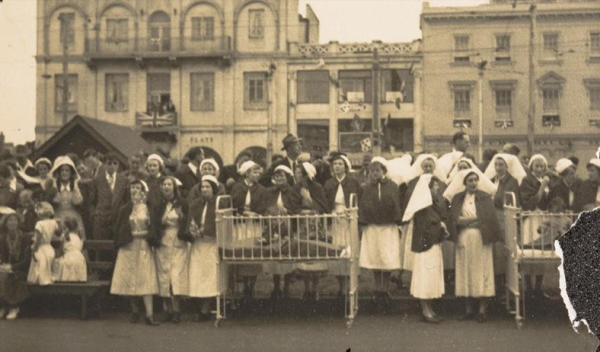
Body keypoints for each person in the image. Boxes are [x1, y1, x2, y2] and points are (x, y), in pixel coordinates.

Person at [446, 169, 502, 323]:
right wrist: (474, 219)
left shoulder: (485, 198)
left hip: (480, 238)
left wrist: (467, 220)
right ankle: (468, 309)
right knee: (465, 271)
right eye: (470, 180)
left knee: (481, 270)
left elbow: (487, 219)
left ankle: (482, 309)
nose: (473, 183)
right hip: (464, 238)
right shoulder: (458, 198)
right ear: (464, 183)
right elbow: (455, 220)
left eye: (475, 180)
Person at [400, 154, 448, 323]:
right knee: (425, 276)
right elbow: (429, 224)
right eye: (434, 186)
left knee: (432, 275)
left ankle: (430, 307)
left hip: (433, 243)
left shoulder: (434, 202)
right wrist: (440, 228)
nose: (437, 188)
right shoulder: (423, 206)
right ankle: (425, 310)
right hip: (425, 244)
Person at [111, 179, 160, 326]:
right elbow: (119, 228)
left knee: (146, 277)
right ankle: (135, 311)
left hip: (143, 245)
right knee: (130, 277)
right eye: (132, 188)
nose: (134, 191)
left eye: (137, 188)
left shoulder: (148, 209)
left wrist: (150, 239)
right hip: (128, 246)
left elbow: (153, 228)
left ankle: (149, 315)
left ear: (143, 192)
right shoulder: (125, 209)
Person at [358, 157, 402, 306]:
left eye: (377, 170)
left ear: (383, 171)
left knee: (387, 259)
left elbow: (396, 204)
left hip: (388, 228)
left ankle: (386, 289)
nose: (375, 173)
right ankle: (378, 289)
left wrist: (397, 220)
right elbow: (363, 205)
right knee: (376, 258)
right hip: (373, 228)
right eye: (372, 171)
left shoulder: (392, 186)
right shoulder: (366, 188)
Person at [484, 153, 526, 296]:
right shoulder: (492, 180)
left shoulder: (512, 181)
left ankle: (504, 284)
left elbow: (510, 201)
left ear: (507, 167)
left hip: (503, 217)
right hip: (492, 217)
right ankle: (496, 283)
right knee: (494, 250)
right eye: (496, 165)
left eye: (501, 165)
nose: (498, 167)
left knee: (504, 250)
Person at [151, 176, 189, 324]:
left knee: (175, 274)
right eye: (164, 184)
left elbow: (189, 221)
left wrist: (182, 218)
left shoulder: (182, 203)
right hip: (163, 241)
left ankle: (177, 310)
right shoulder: (159, 204)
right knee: (164, 273)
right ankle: (167, 309)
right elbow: (155, 223)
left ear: (174, 187)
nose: (166, 187)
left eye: (169, 184)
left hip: (178, 240)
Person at [324, 152, 361, 298]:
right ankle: (341, 286)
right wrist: (331, 213)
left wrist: (350, 212)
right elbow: (326, 202)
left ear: (346, 167)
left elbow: (358, 201)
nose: (337, 167)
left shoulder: (353, 183)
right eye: (335, 164)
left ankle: (349, 286)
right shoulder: (329, 183)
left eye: (340, 164)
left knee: (350, 252)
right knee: (337, 252)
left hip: (349, 220)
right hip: (335, 221)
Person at [186, 175, 222, 322]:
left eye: (208, 187)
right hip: (198, 245)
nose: (205, 189)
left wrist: (207, 231)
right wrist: (196, 233)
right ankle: (200, 308)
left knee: (209, 276)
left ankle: (205, 309)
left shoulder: (219, 204)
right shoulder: (195, 204)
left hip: (211, 244)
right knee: (197, 276)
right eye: (203, 187)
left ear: (213, 189)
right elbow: (190, 221)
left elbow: (219, 224)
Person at [262, 165, 300, 299]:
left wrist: (286, 212)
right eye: (277, 176)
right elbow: (266, 207)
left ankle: (287, 287)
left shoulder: (293, 191)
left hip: (288, 227)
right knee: (275, 257)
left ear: (287, 177)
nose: (279, 178)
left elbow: (296, 208)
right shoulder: (269, 191)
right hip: (273, 226)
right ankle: (276, 287)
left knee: (287, 255)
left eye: (282, 176)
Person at [293, 162, 330, 301]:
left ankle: (315, 288)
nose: (296, 176)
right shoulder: (295, 188)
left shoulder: (318, 188)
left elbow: (323, 207)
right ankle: (306, 288)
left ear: (306, 175)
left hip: (315, 226)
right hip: (302, 226)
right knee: (304, 254)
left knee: (315, 254)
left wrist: (309, 200)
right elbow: (292, 205)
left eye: (299, 174)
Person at [230, 161, 267, 300]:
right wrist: (242, 213)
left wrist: (255, 214)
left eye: (258, 172)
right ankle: (244, 285)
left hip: (254, 226)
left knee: (254, 254)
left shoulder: (262, 189)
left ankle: (251, 286)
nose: (257, 174)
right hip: (241, 225)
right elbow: (232, 205)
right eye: (254, 172)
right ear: (247, 173)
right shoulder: (237, 187)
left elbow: (263, 207)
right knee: (242, 252)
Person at [0, 210, 33, 320]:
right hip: (7, 267)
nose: (12, 223)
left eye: (14, 221)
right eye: (9, 221)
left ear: (18, 223)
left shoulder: (25, 238)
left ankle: (14, 306)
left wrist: (13, 267)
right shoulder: (3, 238)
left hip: (21, 267)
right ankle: (3, 306)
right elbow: (3, 256)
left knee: (14, 277)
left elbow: (27, 259)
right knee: (3, 275)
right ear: (5, 224)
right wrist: (4, 266)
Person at [90, 153, 128, 241]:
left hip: (118, 221)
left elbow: (127, 200)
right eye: (109, 163)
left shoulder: (124, 180)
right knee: (101, 249)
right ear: (104, 165)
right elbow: (92, 201)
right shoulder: (97, 180)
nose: (112, 166)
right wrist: (95, 215)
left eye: (115, 163)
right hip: (101, 221)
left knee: (117, 250)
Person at [48, 156, 87, 240]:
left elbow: (78, 202)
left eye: (67, 170)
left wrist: (75, 186)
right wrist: (55, 187)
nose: (64, 173)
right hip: (58, 217)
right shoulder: (55, 187)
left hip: (73, 218)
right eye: (62, 170)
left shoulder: (75, 186)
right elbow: (53, 202)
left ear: (71, 172)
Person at [27, 202, 61, 286]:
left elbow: (38, 240)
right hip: (49, 247)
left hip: (41, 248)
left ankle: (41, 284)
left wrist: (34, 250)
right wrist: (59, 224)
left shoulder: (40, 224)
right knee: (46, 268)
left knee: (40, 267)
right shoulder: (53, 222)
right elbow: (58, 233)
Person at [52, 215, 87, 282]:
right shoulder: (80, 236)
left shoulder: (65, 236)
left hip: (68, 259)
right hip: (80, 259)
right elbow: (80, 249)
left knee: (58, 263)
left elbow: (61, 251)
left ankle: (64, 282)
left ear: (65, 227)